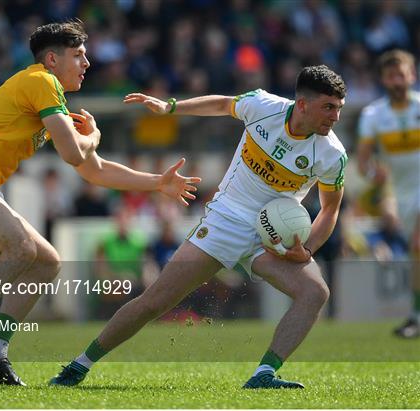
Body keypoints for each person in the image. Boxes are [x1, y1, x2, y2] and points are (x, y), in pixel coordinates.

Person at [0, 20, 201, 386]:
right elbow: (75, 154)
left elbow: (96, 171)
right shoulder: (42, 81)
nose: (87, 63)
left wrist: (158, 182)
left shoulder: (49, 96)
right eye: (79, 55)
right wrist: (94, 137)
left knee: (47, 261)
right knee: (20, 248)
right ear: (52, 59)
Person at [50, 65, 347, 389]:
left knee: (315, 292)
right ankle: (79, 365)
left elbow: (330, 209)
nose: (335, 117)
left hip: (269, 237)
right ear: (303, 104)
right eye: (328, 107)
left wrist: (308, 249)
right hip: (225, 221)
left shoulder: (332, 154)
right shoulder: (262, 107)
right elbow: (222, 104)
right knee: (155, 301)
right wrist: (171, 107)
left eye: (339, 109)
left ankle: (264, 373)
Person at [356, 49, 420, 339]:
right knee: (416, 253)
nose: (397, 81)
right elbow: (363, 163)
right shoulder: (373, 115)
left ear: (412, 76)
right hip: (403, 194)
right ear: (383, 80)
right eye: (391, 76)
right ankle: (416, 316)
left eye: (402, 75)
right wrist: (374, 176)